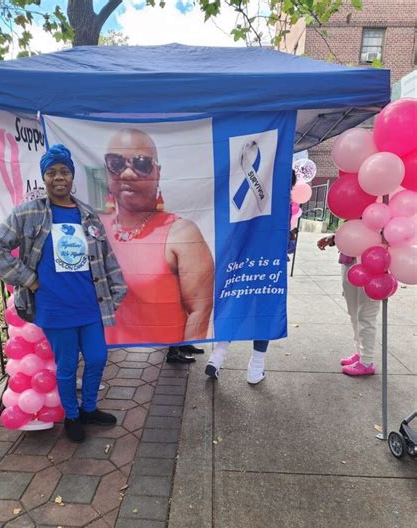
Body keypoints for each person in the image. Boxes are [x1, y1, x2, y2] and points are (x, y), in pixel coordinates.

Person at [0, 144, 127, 443]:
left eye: (64, 171)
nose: (58, 177)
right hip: (54, 307)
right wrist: (28, 280)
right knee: (67, 365)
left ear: (72, 177)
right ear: (44, 178)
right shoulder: (29, 213)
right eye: (51, 172)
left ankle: (89, 409)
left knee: (98, 357)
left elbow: (105, 255)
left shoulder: (87, 214)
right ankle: (72, 416)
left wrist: (116, 291)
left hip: (89, 304)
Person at [101, 128, 214, 345]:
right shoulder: (92, 227)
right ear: (106, 170)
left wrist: (178, 371)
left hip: (158, 367)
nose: (127, 174)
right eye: (116, 163)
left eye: (141, 163)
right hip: (99, 363)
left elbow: (200, 310)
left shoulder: (182, 233)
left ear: (157, 172)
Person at [205, 169, 298, 383]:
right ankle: (255, 370)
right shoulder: (284, 204)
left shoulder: (247, 196)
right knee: (265, 313)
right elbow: (283, 239)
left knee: (235, 307)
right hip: (269, 268)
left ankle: (216, 358)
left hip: (242, 263)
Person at [317, 235, 378, 376]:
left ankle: (367, 361)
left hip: (374, 262)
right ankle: (360, 353)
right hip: (350, 260)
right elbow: (352, 227)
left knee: (366, 314)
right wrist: (335, 238)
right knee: (354, 312)